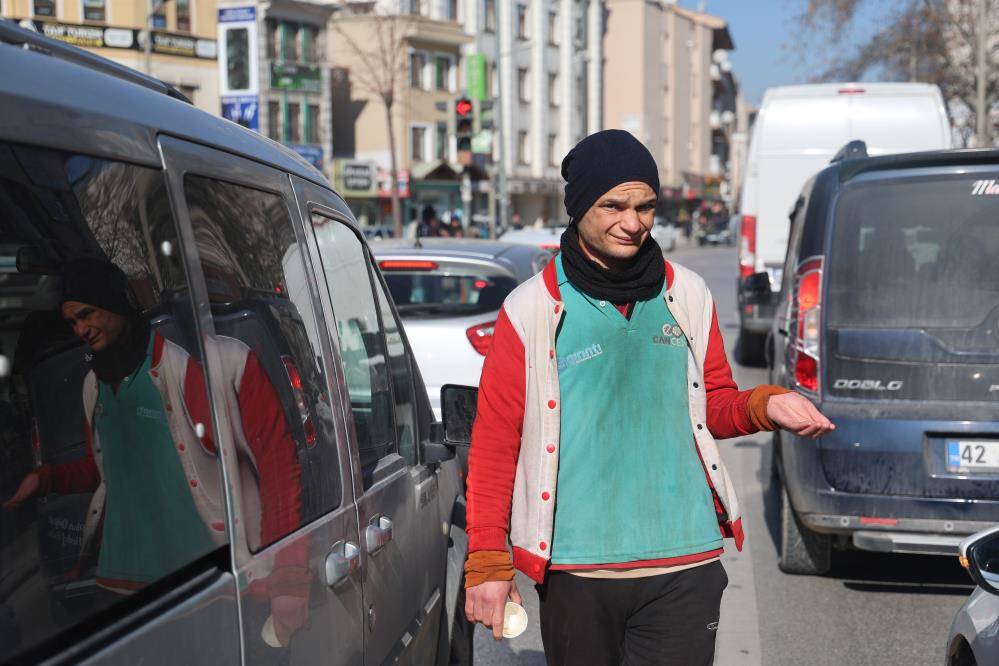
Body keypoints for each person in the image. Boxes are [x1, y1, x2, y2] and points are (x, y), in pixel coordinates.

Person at [462, 130, 835, 665]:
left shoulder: (686, 294)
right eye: (614, 205)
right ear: (578, 206)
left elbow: (714, 406)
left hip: (684, 562)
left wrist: (766, 405)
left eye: (645, 206)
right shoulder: (531, 309)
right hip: (577, 568)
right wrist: (487, 563)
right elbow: (497, 444)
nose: (632, 222)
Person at [3, 258, 310, 646]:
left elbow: (279, 468)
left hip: (199, 587)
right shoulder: (92, 387)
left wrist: (289, 578)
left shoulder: (213, 366)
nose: (81, 329)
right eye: (72, 323)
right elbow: (106, 472)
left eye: (86, 314)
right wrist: (48, 478)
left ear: (113, 303)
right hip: (115, 589)